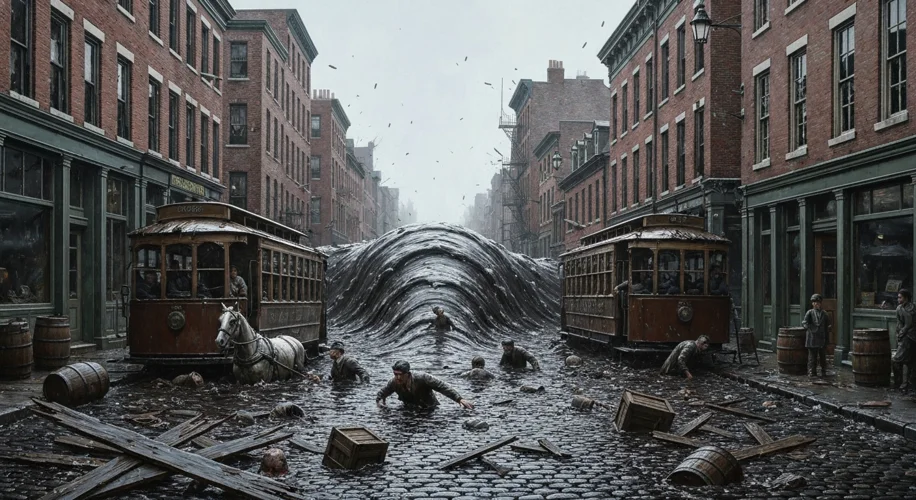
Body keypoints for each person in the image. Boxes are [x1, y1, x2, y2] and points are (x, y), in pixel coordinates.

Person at [376, 360, 473, 409]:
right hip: (409, 409)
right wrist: (380, 402)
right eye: (395, 374)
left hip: (429, 408)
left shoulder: (422, 378)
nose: (398, 378)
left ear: (407, 374)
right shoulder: (394, 382)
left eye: (400, 375)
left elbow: (442, 386)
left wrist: (459, 399)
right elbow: (383, 392)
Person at [893, 289, 916, 392]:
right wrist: (898, 333)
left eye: (900, 297)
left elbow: (909, 324)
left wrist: (902, 332)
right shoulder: (899, 308)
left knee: (897, 359)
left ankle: (901, 383)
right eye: (898, 297)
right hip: (903, 336)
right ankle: (903, 384)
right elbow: (899, 323)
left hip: (910, 337)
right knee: (907, 361)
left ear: (906, 298)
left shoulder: (911, 308)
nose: (898, 299)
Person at [802, 293, 830, 377]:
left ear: (820, 303)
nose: (816, 304)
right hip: (812, 337)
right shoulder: (809, 312)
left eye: (817, 303)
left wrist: (829, 328)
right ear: (812, 304)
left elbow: (828, 324)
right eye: (814, 302)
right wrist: (807, 327)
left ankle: (823, 370)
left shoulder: (824, 313)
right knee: (812, 357)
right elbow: (804, 322)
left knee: (822, 356)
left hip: (821, 337)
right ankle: (812, 371)